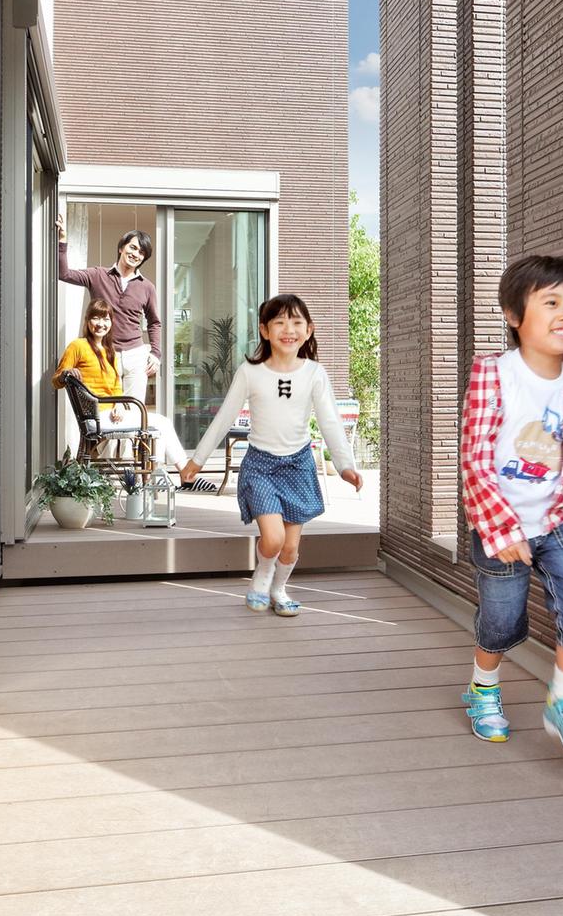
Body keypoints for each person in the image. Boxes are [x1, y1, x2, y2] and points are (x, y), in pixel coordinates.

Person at [460, 254, 563, 755]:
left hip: (559, 518)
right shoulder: (493, 374)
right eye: (551, 302)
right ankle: (483, 687)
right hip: (498, 523)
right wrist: (503, 531)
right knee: (502, 624)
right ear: (513, 314)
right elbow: (475, 459)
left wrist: (555, 514)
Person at [182, 294, 363, 616]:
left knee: (291, 548)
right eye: (279, 322)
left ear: (309, 330)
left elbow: (330, 421)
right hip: (261, 466)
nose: (288, 329)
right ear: (265, 330)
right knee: (274, 538)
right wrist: (197, 460)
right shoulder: (251, 372)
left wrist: (345, 465)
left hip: (298, 465)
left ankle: (279, 589)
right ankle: (262, 577)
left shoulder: (314, 373)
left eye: (296, 322)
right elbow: (225, 416)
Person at [53, 298, 216, 491]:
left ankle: (171, 476)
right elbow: (56, 380)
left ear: (111, 322)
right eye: (95, 318)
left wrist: (119, 406)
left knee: (160, 423)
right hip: (96, 416)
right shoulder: (77, 346)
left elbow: (115, 389)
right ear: (87, 320)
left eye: (105, 319)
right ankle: (176, 476)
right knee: (161, 423)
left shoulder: (109, 350)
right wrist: (67, 373)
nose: (101, 324)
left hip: (109, 413)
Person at [56, 214, 161, 403]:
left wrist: (155, 353)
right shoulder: (98, 275)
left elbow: (154, 322)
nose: (136, 254)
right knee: (105, 410)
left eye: (141, 252)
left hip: (135, 354)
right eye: (133, 247)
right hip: (104, 351)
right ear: (121, 248)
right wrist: (62, 241)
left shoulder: (147, 287)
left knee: (133, 411)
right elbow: (64, 274)